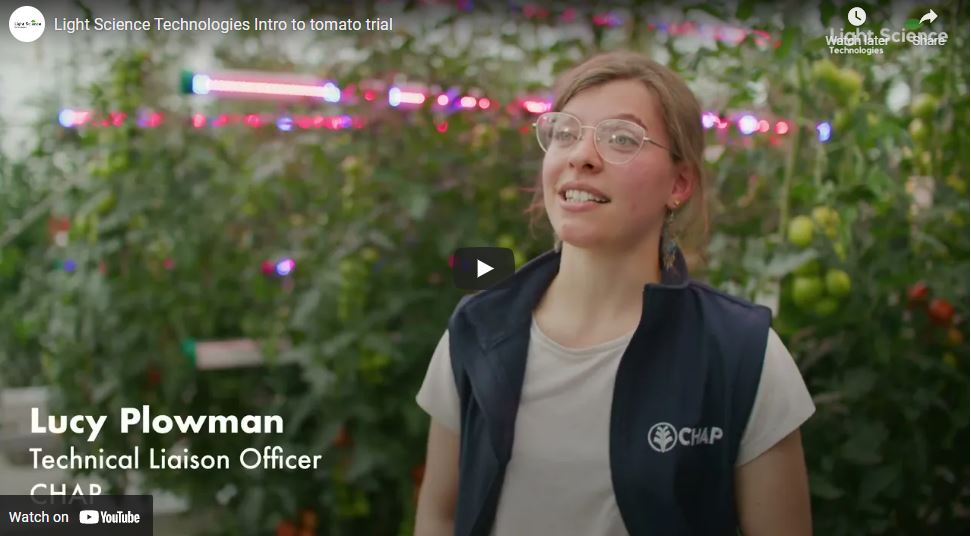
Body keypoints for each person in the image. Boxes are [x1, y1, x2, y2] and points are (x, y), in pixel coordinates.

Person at [413, 50, 815, 536]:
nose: (581, 155)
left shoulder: (742, 355)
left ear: (680, 182)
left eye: (621, 138)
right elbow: (439, 515)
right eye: (565, 133)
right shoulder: (477, 331)